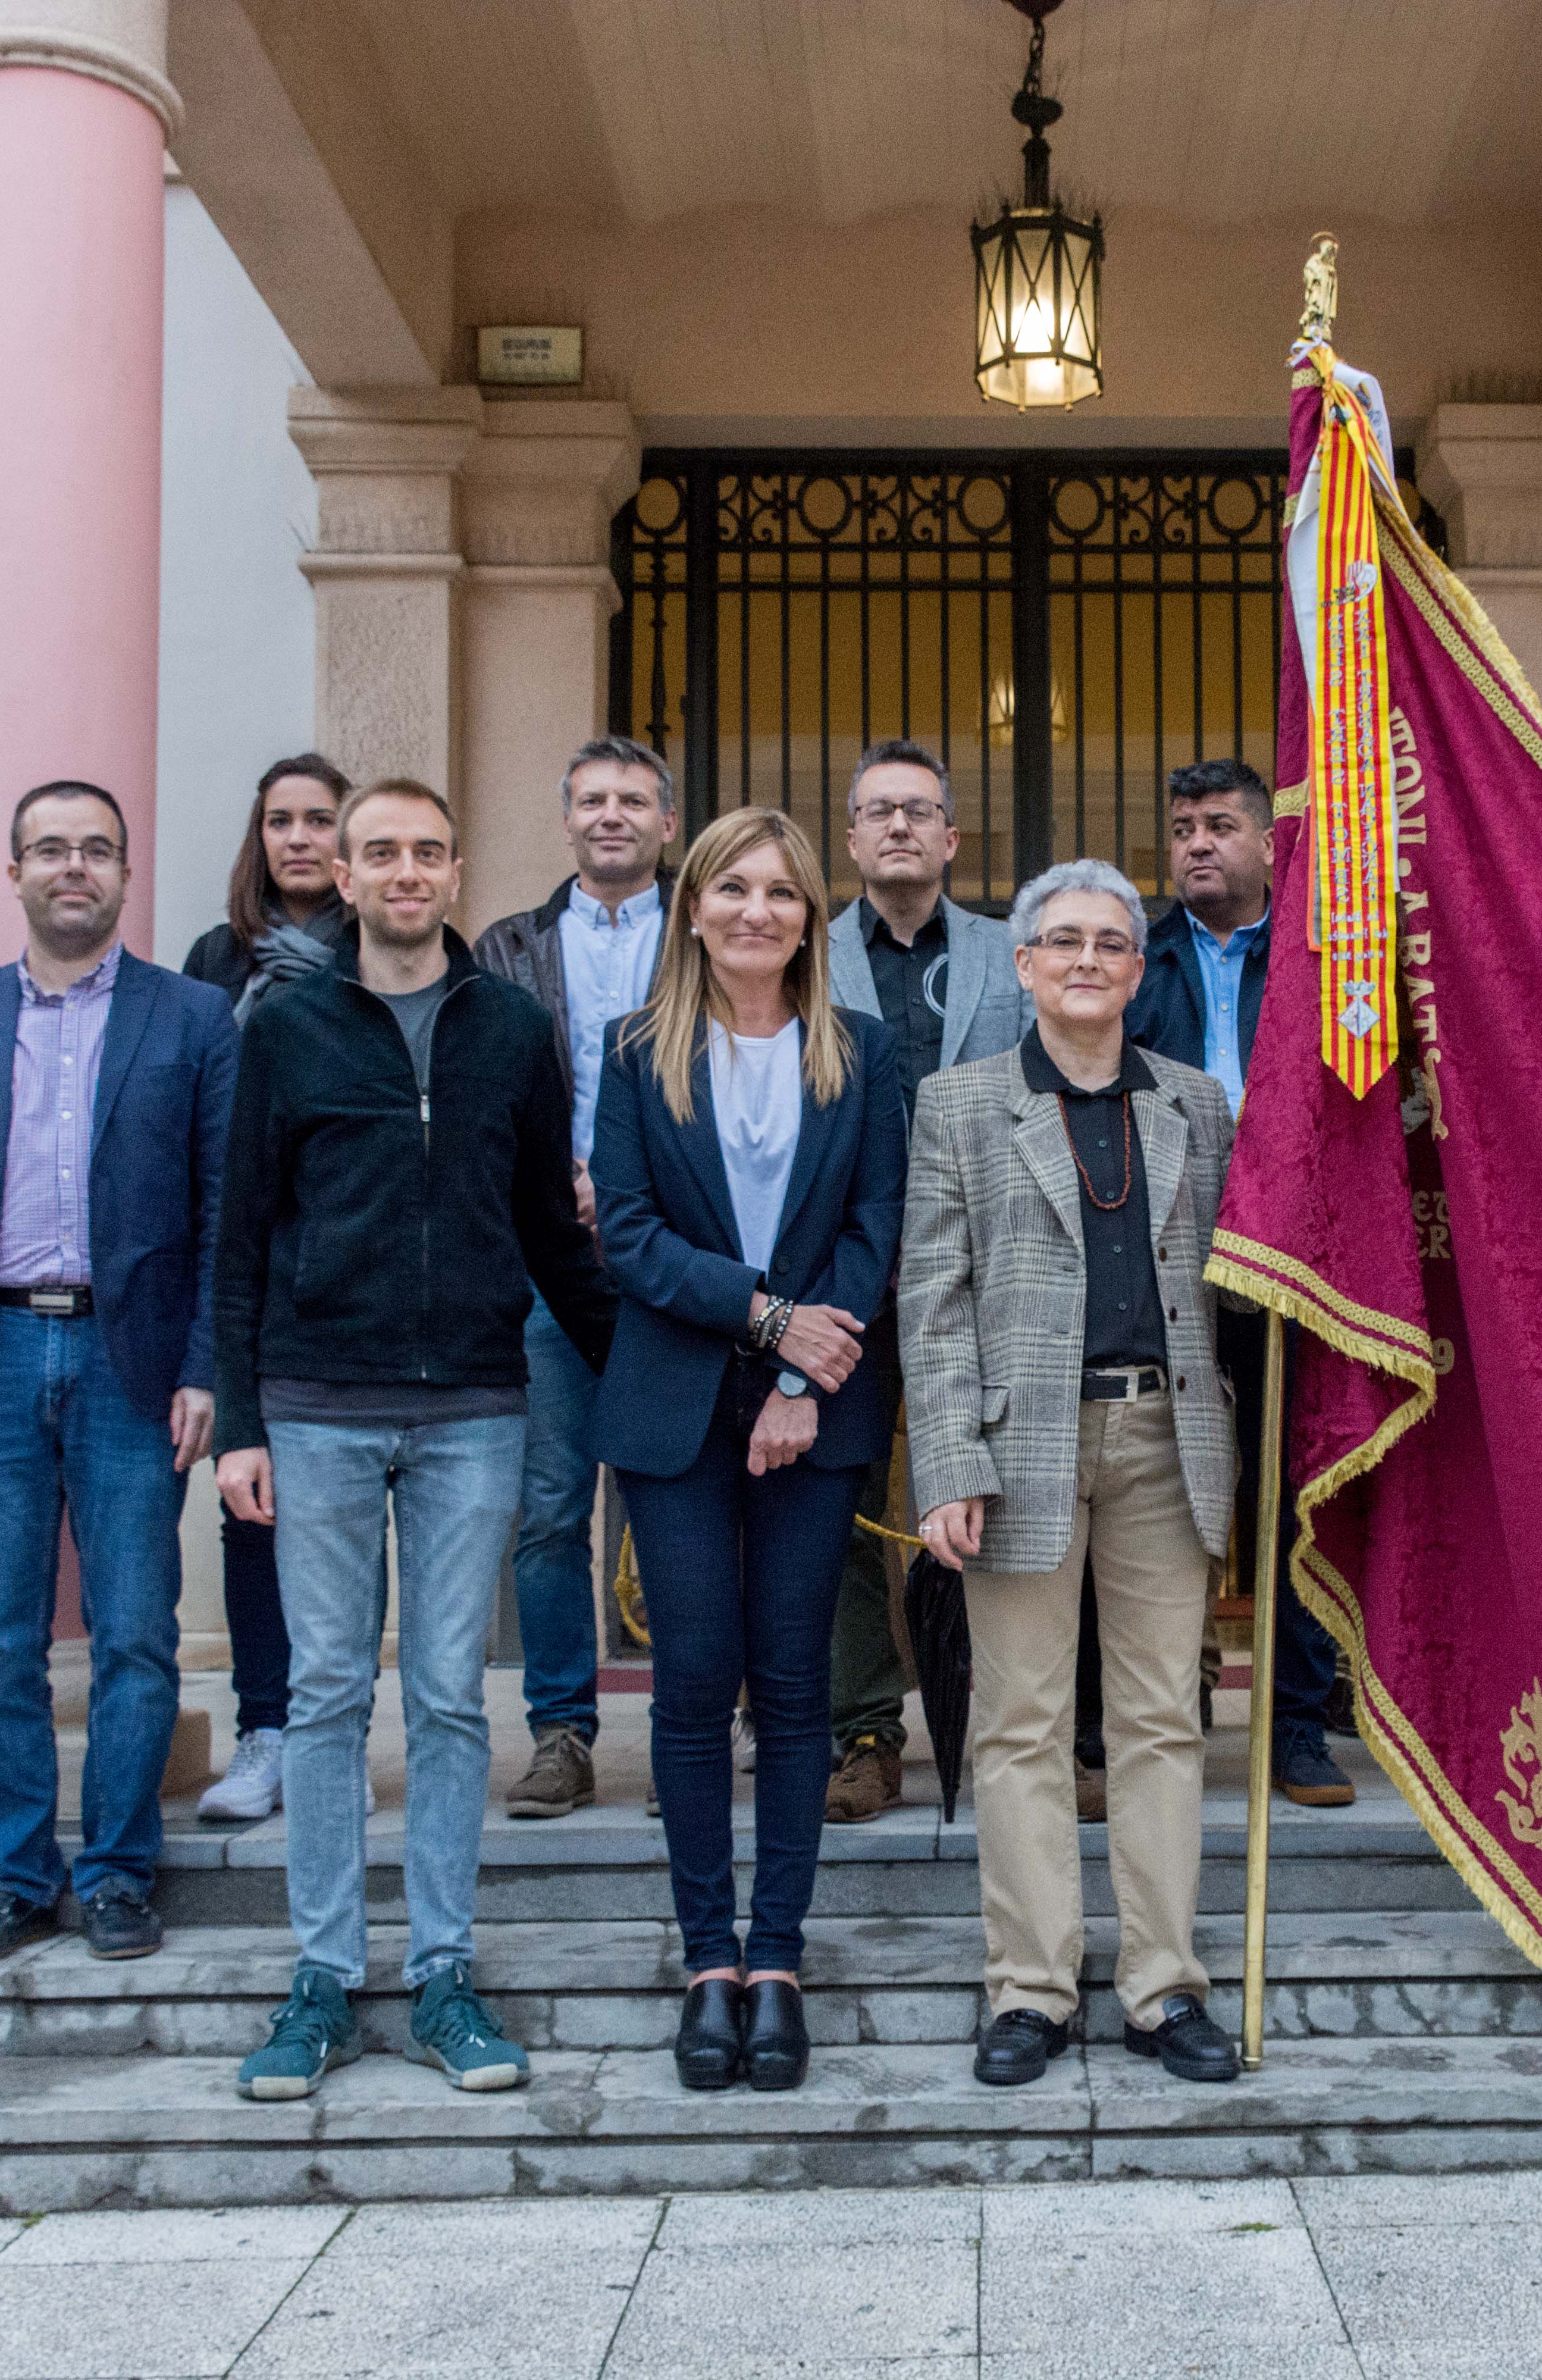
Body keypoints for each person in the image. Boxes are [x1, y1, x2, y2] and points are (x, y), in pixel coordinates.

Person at [212, 780, 618, 2100]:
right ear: (341, 867)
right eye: (377, 849)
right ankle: (322, 1975)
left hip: (473, 1410)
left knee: (449, 1698)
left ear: (456, 870)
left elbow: (553, 1235)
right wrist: (239, 1419)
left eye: (427, 851)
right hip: (319, 1402)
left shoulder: (512, 1027)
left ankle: (444, 1968)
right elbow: (239, 1237)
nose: (402, 870)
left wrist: (641, 1377)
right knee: (327, 1693)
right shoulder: (284, 1024)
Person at [0, 782, 237, 1969]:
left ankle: (122, 1869)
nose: (72, 866)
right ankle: (17, 1872)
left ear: (126, 874)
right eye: (50, 848)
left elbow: (224, 1212)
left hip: (128, 1361)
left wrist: (204, 1366)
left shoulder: (191, 1018)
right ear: (13, 869)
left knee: (137, 1631)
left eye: (95, 848)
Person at [907, 857, 1246, 2088]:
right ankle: (1033, 1990)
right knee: (1022, 1723)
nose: (1090, 958)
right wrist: (947, 1459)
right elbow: (932, 1301)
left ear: (1139, 968)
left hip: (1169, 1438)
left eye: (1113, 940)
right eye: (1065, 940)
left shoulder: (1199, 1106)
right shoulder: (959, 1105)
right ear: (1026, 964)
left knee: (1163, 1719)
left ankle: (1163, 1988)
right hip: (1018, 1448)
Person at [591, 807, 904, 2092]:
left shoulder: (864, 1052)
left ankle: (776, 1961)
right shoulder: (635, 1054)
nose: (758, 911)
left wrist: (794, 1372)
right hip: (674, 1407)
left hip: (813, 1412)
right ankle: (705, 1961)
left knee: (792, 1686)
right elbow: (625, 1230)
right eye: (734, 888)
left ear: (810, 916)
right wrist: (765, 1315)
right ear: (695, 905)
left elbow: (879, 1224)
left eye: (782, 891)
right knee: (691, 1685)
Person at [1127, 756, 1350, 1812]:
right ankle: (1172, 1706)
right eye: (1181, 829)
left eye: (1219, 825)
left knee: (1289, 1493)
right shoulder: (1138, 957)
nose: (1196, 844)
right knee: (1164, 1492)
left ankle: (1296, 1728)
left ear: (1270, 842)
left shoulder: (1321, 954)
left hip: (1294, 1258)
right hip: (1163, 1262)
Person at [816, 740, 1023, 1825]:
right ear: (850, 839)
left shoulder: (1010, 956)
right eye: (878, 812)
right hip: (847, 1276)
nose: (900, 827)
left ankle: (1019, 1725)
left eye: (920, 811)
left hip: (987, 1276)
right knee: (844, 1500)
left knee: (1006, 1493)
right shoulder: (806, 959)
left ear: (951, 838)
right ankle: (866, 1731)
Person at [475, 734, 681, 1821]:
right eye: (593, 799)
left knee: (684, 1504)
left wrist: (637, 1188)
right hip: (552, 1274)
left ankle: (687, 1734)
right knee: (551, 1512)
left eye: (633, 800)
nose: (612, 815)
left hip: (678, 1265)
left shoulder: (710, 932)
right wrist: (554, 1187)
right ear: (567, 820)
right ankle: (561, 1734)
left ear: (666, 824)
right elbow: (477, 1101)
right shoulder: (505, 947)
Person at [175, 754, 349, 1825]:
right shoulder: (215, 957)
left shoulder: (382, 947)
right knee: (255, 1510)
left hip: (349, 1260)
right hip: (250, 1256)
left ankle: (336, 1737)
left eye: (319, 820)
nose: (298, 839)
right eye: (280, 820)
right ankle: (266, 1729)